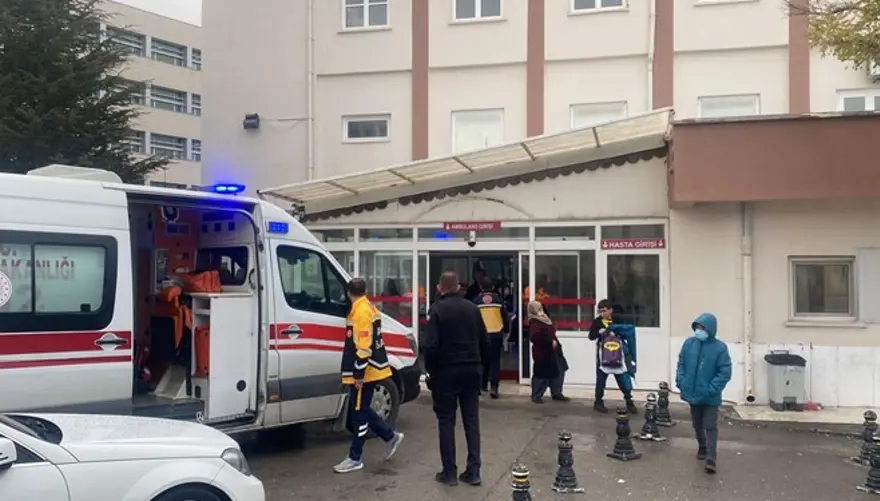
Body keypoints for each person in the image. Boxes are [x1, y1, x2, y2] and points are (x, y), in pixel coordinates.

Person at [424, 270, 490, 487]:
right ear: (459, 287)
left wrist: (431, 372)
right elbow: (485, 342)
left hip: (446, 373)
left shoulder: (436, 310)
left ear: (439, 288)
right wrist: (483, 372)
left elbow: (431, 347)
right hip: (471, 370)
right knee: (472, 420)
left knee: (446, 421)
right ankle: (474, 471)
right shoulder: (473, 309)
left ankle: (449, 472)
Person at [333, 278, 405, 474]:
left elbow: (364, 347)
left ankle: (355, 457)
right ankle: (390, 436)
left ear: (348, 292)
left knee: (358, 413)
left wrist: (358, 374)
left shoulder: (361, 312)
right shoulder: (366, 307)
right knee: (362, 409)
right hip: (370, 370)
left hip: (366, 372)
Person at [675, 312, 732, 475]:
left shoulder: (720, 348)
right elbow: (681, 363)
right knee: (697, 423)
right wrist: (681, 381)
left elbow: (724, 372)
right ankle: (702, 446)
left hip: (710, 397)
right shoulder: (689, 344)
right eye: (697, 327)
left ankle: (711, 458)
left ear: (710, 329)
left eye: (703, 328)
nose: (699, 331)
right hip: (692, 393)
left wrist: (711, 389)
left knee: (710, 425)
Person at [588, 299, 637, 415]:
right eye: (600, 311)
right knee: (601, 379)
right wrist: (599, 332)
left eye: (604, 311)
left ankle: (629, 401)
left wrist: (616, 333)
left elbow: (626, 332)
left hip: (618, 354)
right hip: (603, 355)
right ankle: (598, 402)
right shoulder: (597, 322)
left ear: (610, 310)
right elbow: (591, 336)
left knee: (622, 378)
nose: (602, 313)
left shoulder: (617, 320)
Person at [473, 276, 509, 399]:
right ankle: (494, 387)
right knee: (495, 362)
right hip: (496, 334)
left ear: (481, 287)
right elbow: (505, 317)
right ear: (493, 287)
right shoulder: (499, 301)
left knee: (481, 361)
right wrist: (506, 331)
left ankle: (481, 386)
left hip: (481, 335)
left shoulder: (476, 302)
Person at [527, 301, 561, 403]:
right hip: (541, 352)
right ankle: (536, 395)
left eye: (541, 308)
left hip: (551, 351)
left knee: (556, 372)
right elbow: (534, 337)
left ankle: (556, 393)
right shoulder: (535, 322)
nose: (540, 310)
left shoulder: (545, 318)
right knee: (541, 375)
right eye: (538, 308)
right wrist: (549, 342)